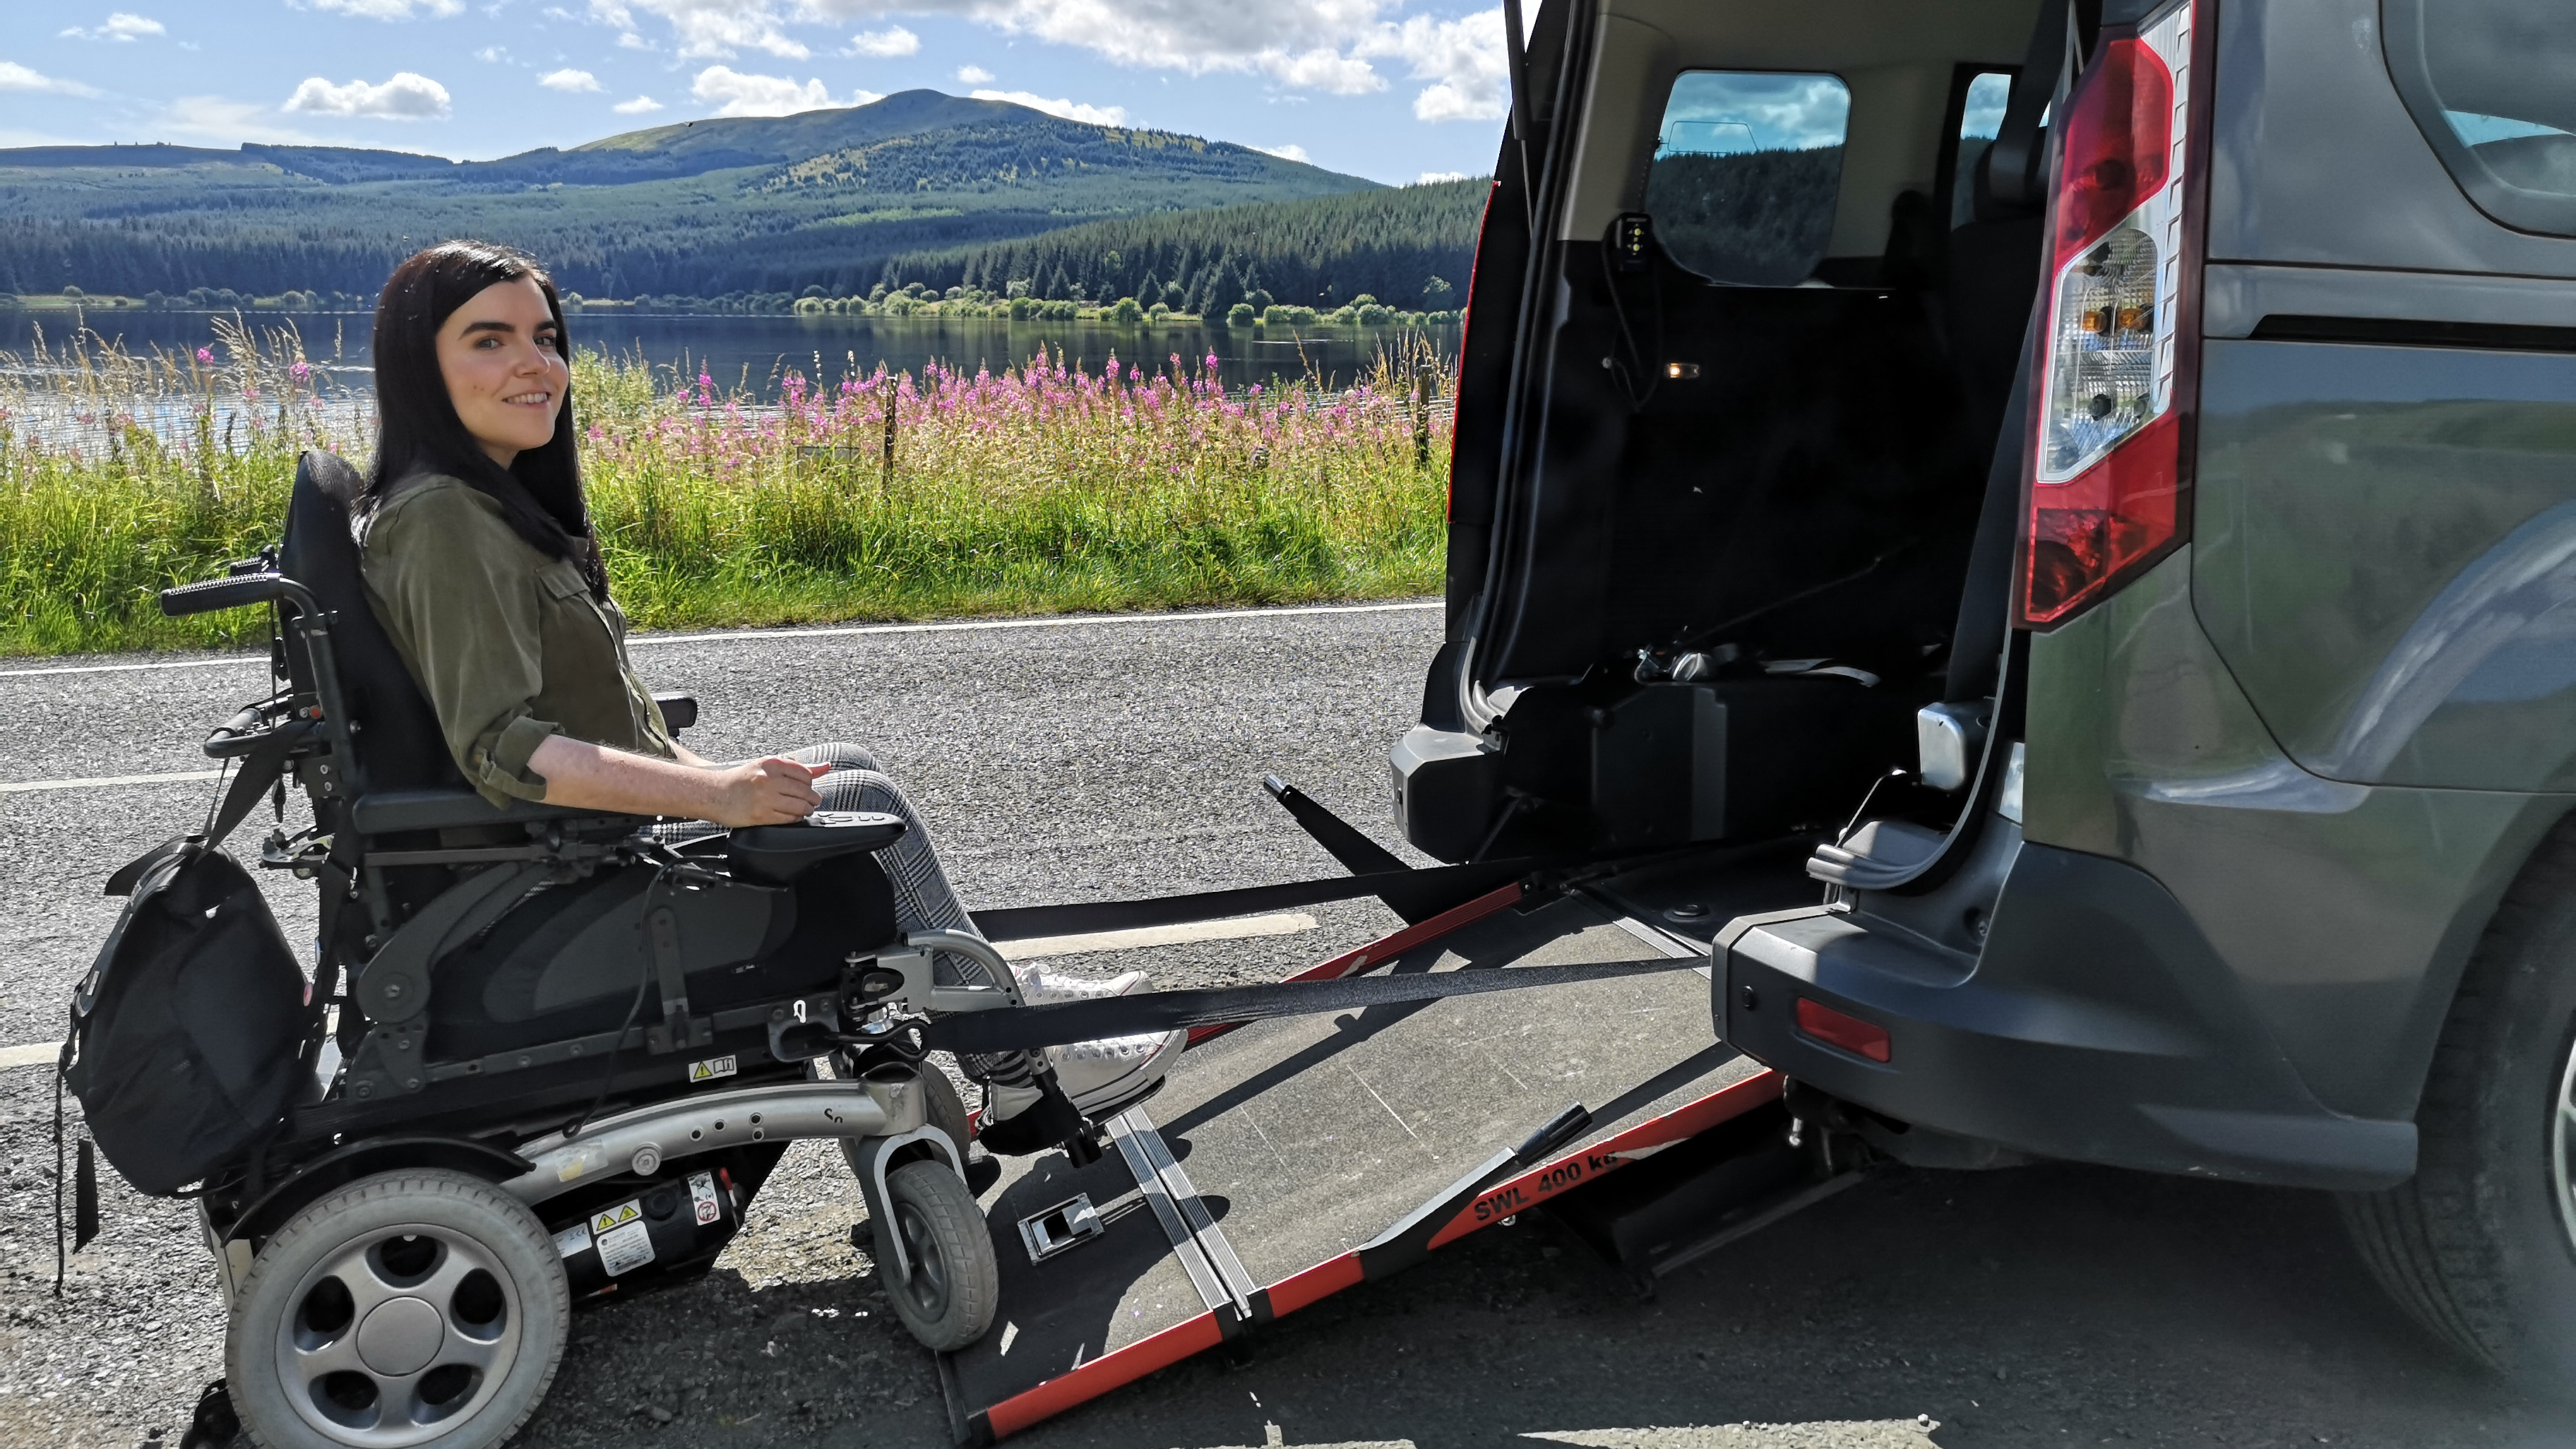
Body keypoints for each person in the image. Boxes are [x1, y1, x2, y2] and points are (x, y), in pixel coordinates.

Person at [352, 240, 1177, 1154]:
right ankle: (1021, 1070)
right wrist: (716, 797)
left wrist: (719, 778)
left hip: (574, 843)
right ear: (419, 361)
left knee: (850, 768)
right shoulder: (440, 519)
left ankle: (998, 1000)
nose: (535, 363)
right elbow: (504, 749)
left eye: (545, 337)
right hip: (551, 871)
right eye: (489, 340)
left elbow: (582, 713)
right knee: (864, 804)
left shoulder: (481, 503)